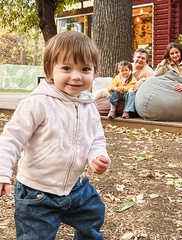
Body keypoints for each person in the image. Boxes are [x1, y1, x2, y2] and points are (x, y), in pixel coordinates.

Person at [0, 31, 111, 240]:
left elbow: (96, 137)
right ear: (50, 71)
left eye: (85, 69)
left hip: (76, 187)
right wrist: (2, 172)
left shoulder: (89, 105)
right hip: (37, 192)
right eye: (67, 68)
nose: (77, 76)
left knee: (94, 213)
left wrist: (97, 155)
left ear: (95, 72)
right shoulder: (37, 103)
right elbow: (11, 138)